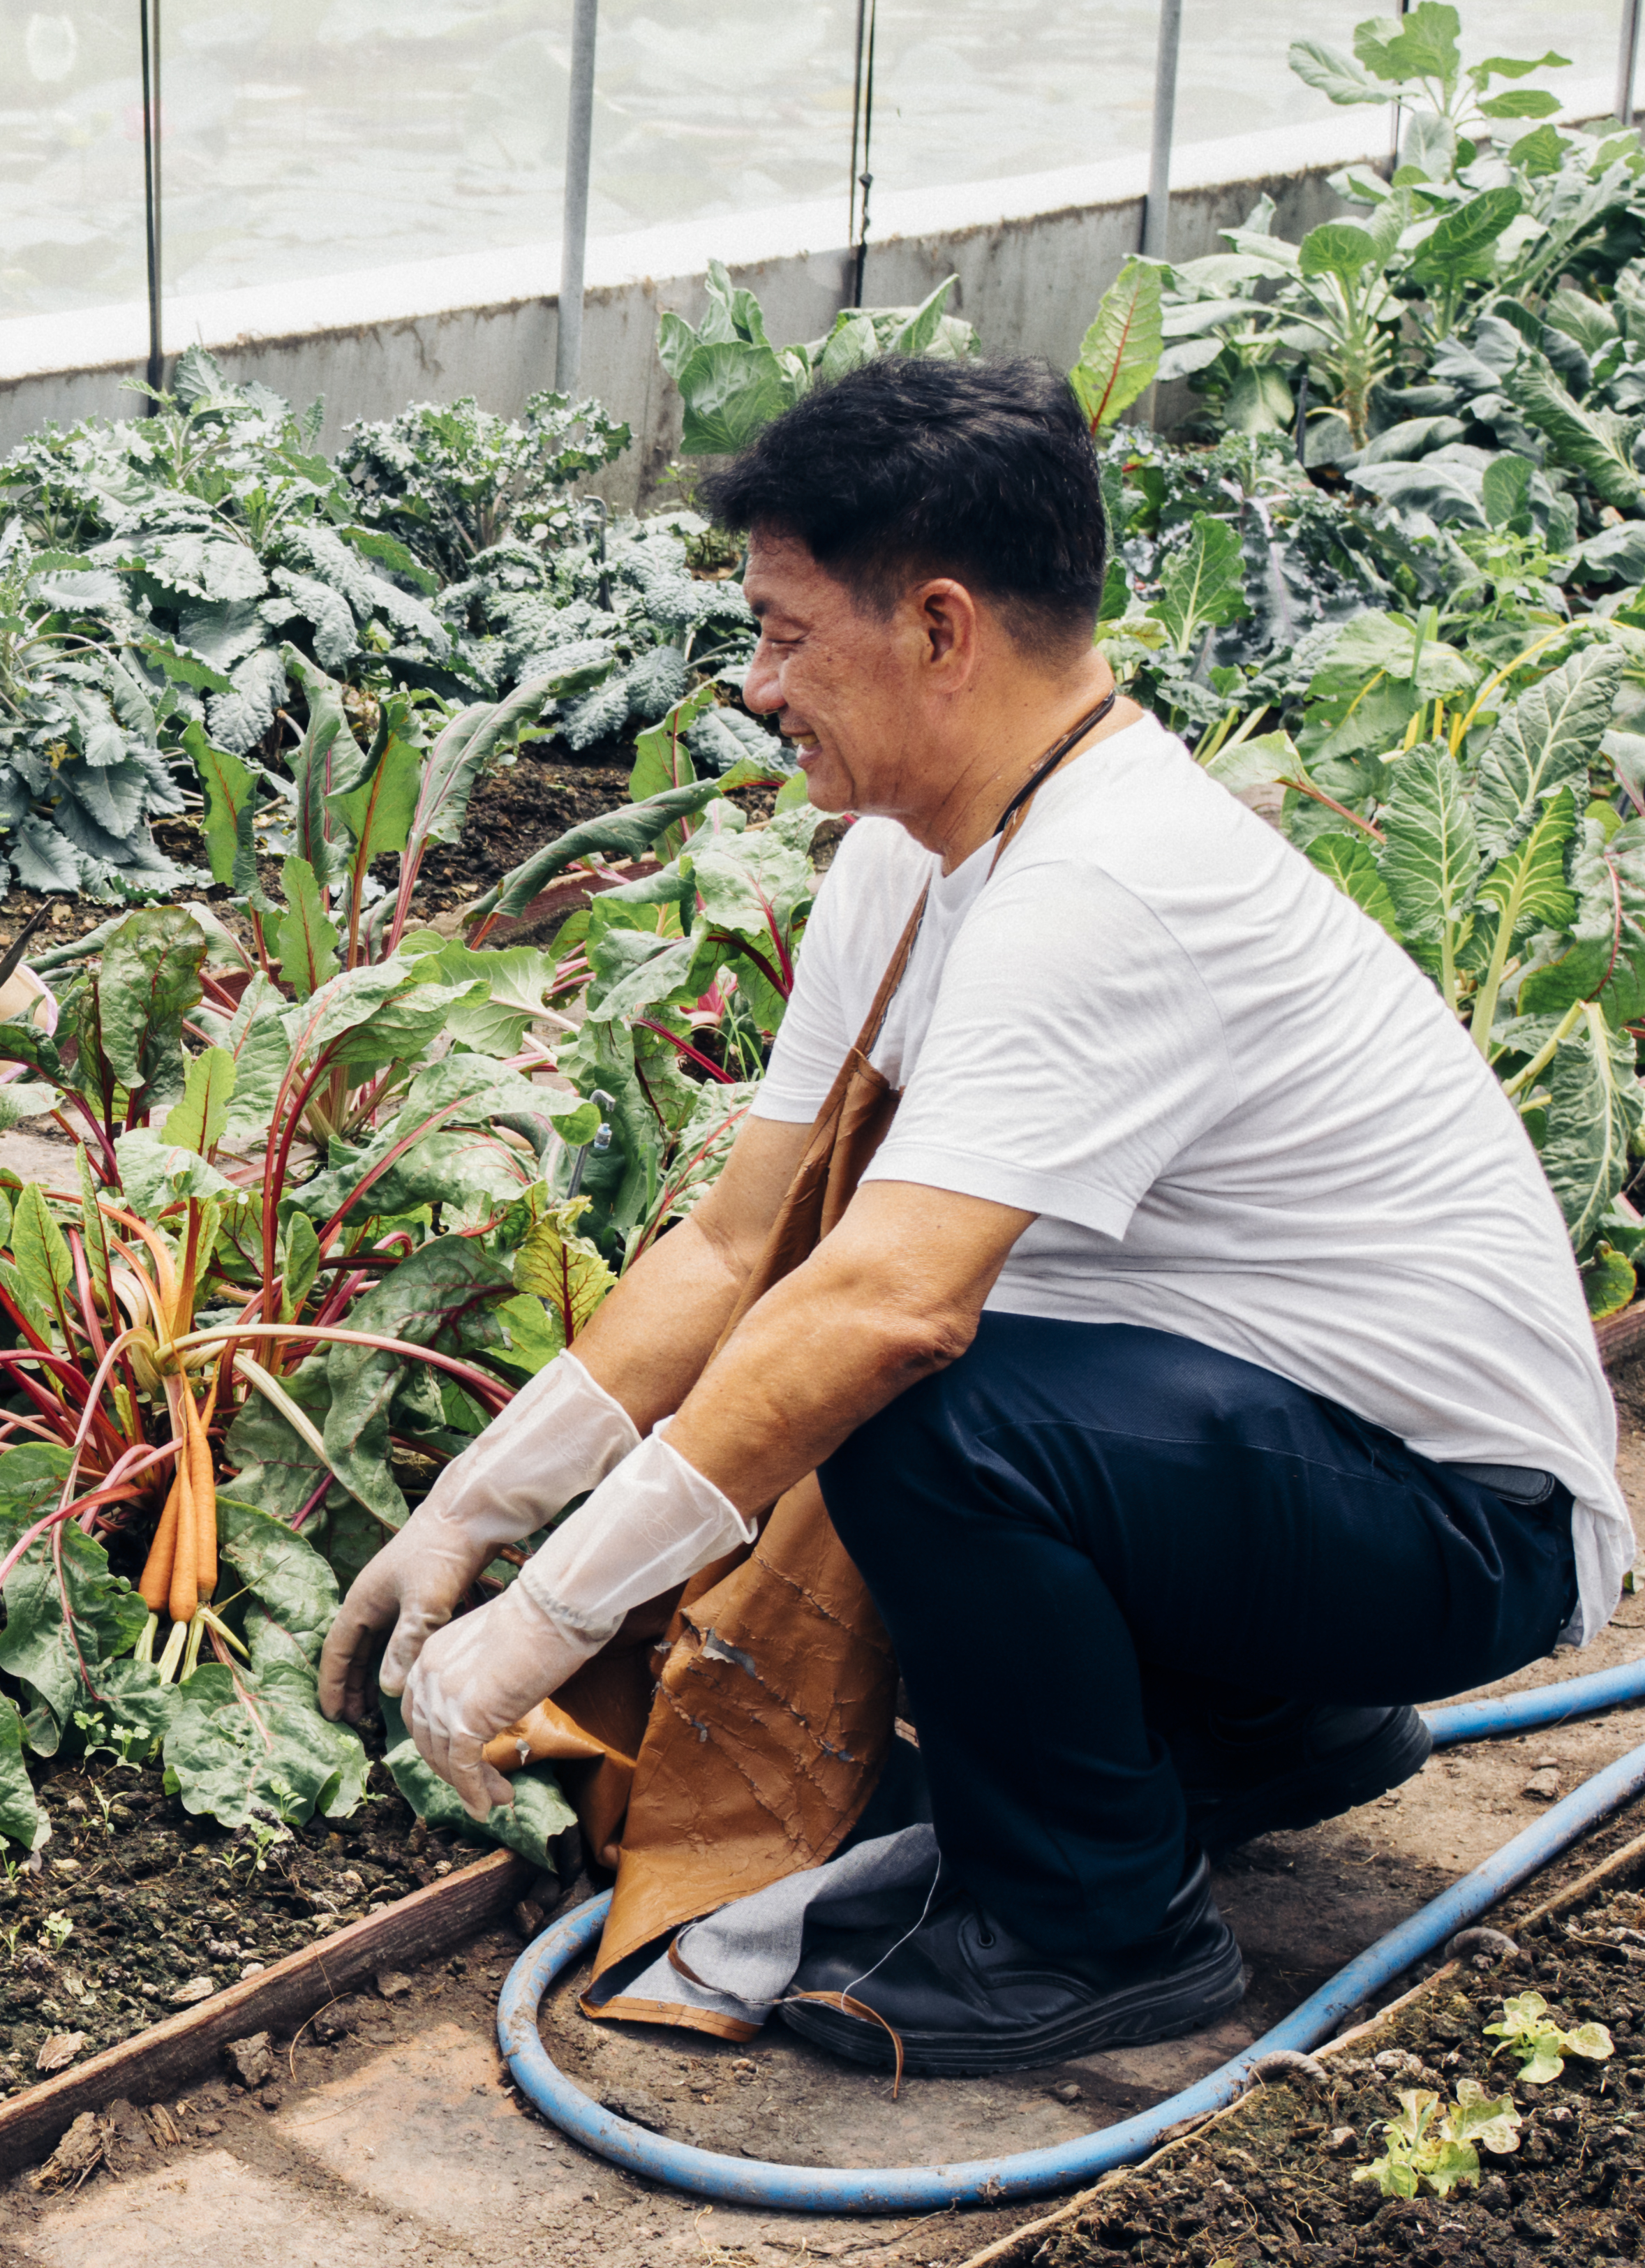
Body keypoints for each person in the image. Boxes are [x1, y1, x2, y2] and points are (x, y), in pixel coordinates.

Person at [325, 355, 1634, 2077]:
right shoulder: (912, 847)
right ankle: (1261, 1738)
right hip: (1292, 1465)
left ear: (939, 628)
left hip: (1464, 1534)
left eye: (787, 632)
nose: (753, 680)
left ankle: (1097, 1925)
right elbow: (738, 1242)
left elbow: (877, 1304)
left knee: (919, 1405)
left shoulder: (1104, 882)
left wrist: (542, 1627)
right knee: (915, 1381)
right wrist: (465, 1517)